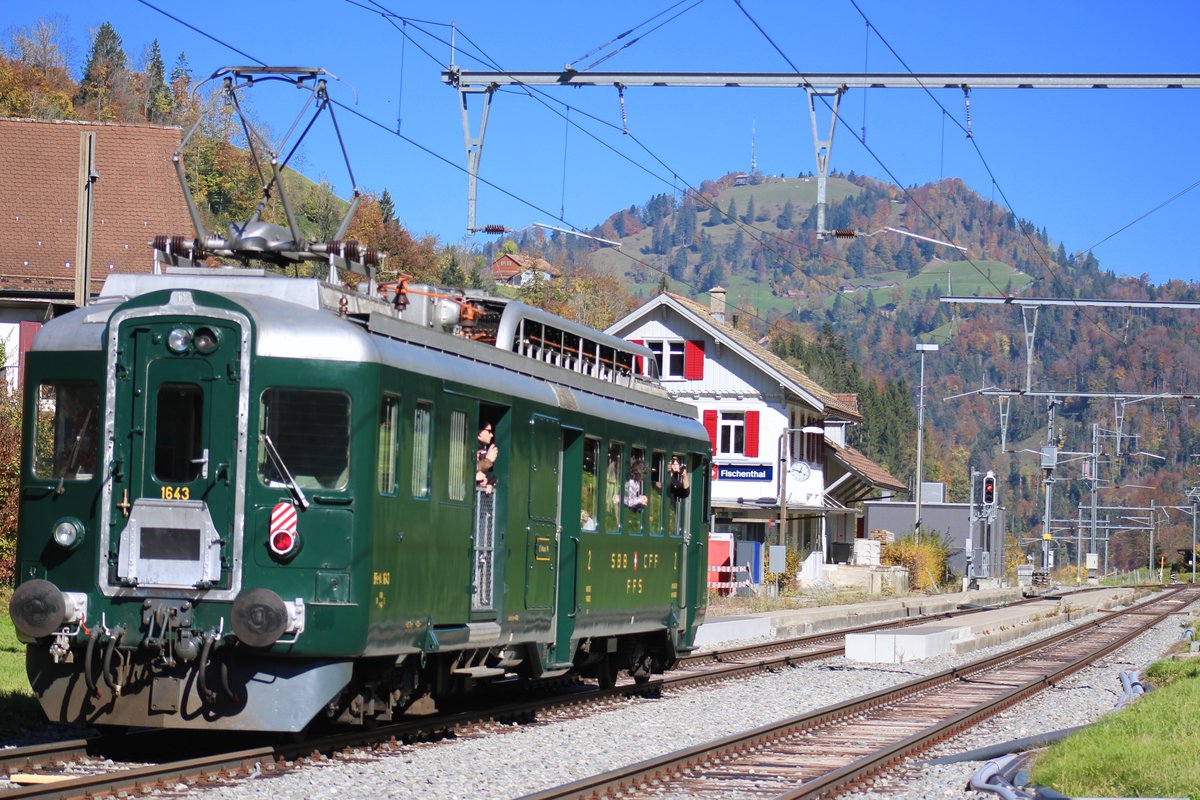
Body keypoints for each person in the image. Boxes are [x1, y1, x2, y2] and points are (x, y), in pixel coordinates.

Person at [476, 422, 498, 494]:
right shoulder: (469, 447)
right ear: (480, 433)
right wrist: (488, 460)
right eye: (489, 431)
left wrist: (489, 481)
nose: (492, 435)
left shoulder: (483, 449)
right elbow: (469, 469)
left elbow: (489, 475)